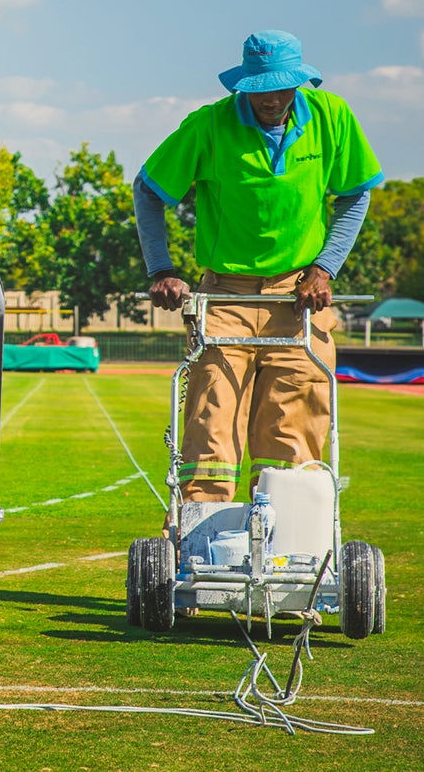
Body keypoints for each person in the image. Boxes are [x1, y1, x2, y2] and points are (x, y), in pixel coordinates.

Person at [133, 30, 381, 502]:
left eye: (281, 86)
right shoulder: (208, 125)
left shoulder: (333, 117)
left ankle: (289, 542)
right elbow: (148, 190)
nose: (270, 98)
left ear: (300, 81)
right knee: (211, 422)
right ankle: (201, 543)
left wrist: (324, 268)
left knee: (296, 429)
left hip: (299, 298)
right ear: (243, 84)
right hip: (225, 297)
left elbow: (355, 193)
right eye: (260, 87)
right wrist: (161, 269)